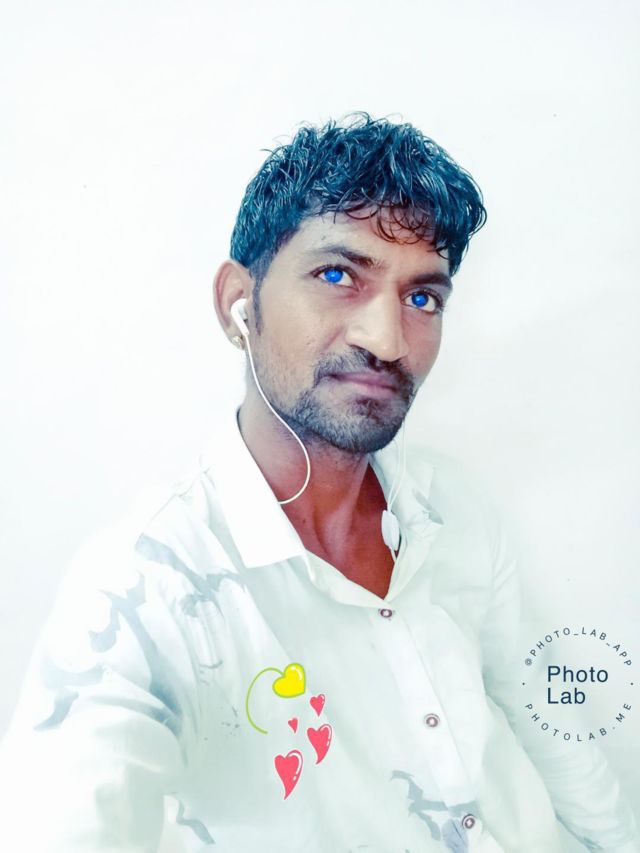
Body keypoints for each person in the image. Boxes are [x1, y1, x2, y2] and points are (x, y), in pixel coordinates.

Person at [0, 114, 637, 852]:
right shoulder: (148, 587)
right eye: (338, 276)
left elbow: (546, 728)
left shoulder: (450, 504)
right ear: (238, 303)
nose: (387, 340)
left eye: (422, 298)